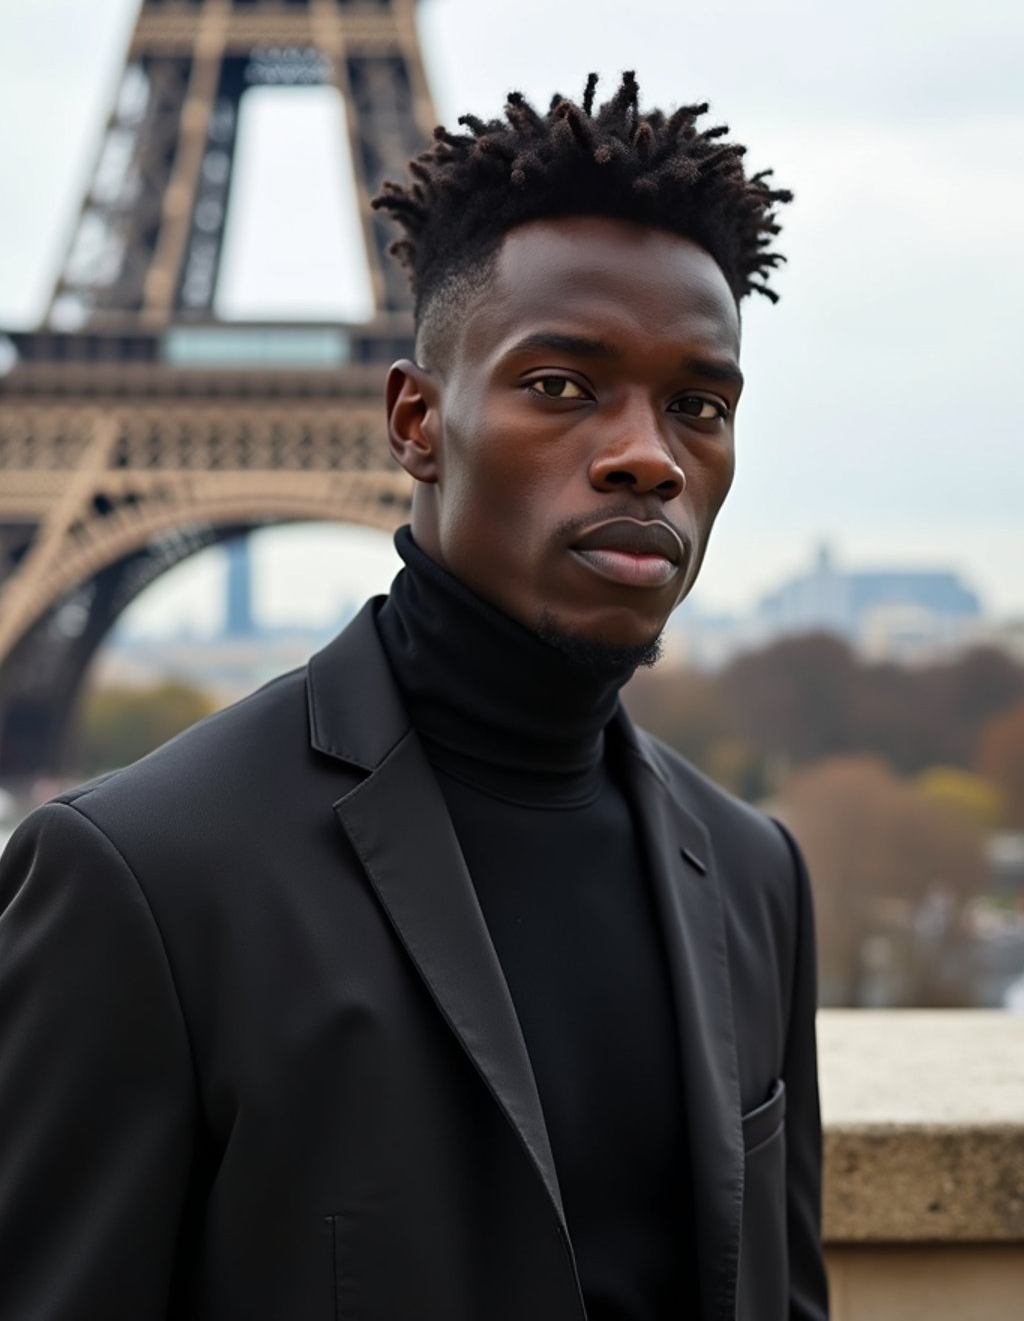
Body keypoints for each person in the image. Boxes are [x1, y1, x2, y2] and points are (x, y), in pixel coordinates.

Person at [0, 74, 829, 1321]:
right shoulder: (138, 881)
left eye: (697, 406)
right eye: (561, 385)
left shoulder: (755, 873)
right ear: (415, 418)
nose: (647, 453)